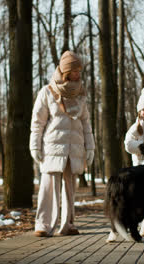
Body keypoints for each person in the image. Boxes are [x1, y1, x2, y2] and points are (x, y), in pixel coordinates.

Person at [29, 50, 95, 237]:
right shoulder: (47, 92)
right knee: (48, 188)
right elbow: (37, 122)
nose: (78, 73)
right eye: (74, 70)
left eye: (79, 70)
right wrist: (35, 146)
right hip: (52, 147)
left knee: (69, 189)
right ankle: (43, 225)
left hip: (74, 149)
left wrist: (90, 147)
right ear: (65, 71)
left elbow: (86, 123)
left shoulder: (81, 93)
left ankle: (68, 225)